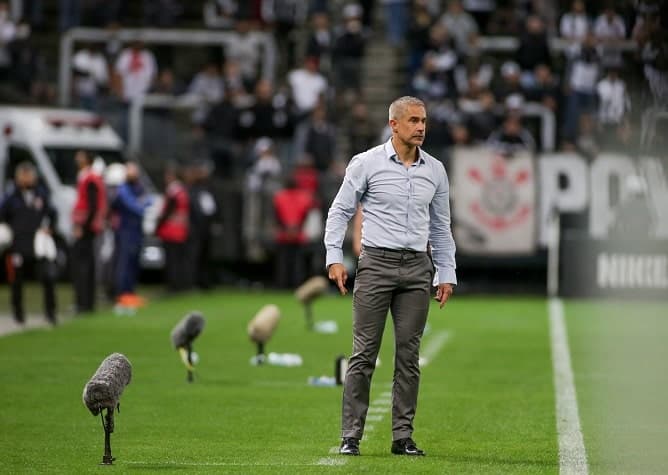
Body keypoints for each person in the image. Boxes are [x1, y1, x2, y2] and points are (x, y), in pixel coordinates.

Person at [324, 96, 457, 457]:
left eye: (424, 120)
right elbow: (339, 212)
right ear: (394, 125)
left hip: (417, 268)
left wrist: (446, 272)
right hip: (376, 265)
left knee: (409, 358)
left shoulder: (436, 170)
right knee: (363, 355)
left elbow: (441, 228)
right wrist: (334, 257)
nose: (421, 127)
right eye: (414, 120)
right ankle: (350, 436)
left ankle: (402, 437)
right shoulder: (366, 163)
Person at [0, 162, 58, 325]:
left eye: (29, 175)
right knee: (17, 281)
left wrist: (50, 228)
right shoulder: (11, 198)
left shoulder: (41, 195)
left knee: (48, 277)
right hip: (18, 244)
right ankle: (18, 315)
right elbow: (2, 216)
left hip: (38, 246)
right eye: (23, 175)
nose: (26, 179)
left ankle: (50, 313)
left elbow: (53, 214)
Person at [110, 161, 152, 305]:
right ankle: (122, 293)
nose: (134, 173)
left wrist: (142, 203)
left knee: (134, 262)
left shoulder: (138, 187)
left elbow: (149, 200)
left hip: (136, 229)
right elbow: (136, 207)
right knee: (125, 262)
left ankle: (131, 292)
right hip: (125, 230)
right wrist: (141, 203)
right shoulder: (122, 189)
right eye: (131, 171)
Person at [71, 150, 107, 314]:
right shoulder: (89, 177)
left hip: (86, 228)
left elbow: (92, 206)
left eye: (80, 156)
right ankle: (86, 302)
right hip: (89, 227)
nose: (76, 159)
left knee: (83, 266)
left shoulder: (89, 178)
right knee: (87, 264)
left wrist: (82, 226)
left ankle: (83, 303)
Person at [156, 164, 190, 292]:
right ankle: (179, 285)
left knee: (171, 260)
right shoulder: (182, 191)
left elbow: (166, 213)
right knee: (178, 259)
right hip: (181, 230)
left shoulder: (173, 191)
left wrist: (157, 227)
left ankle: (172, 286)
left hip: (170, 230)